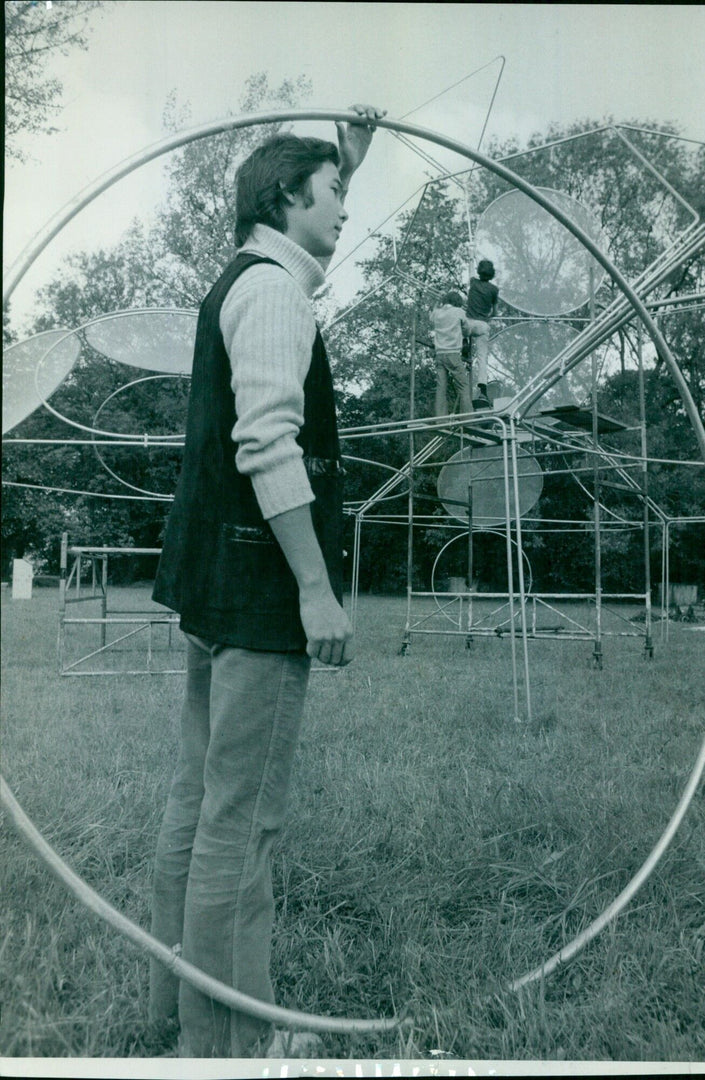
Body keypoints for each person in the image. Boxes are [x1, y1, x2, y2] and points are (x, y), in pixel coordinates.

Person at [147, 105, 385, 1059]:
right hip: (257, 597)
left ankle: (175, 1014)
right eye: (330, 196)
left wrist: (347, 161)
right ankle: (235, 1045)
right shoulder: (278, 296)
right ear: (287, 200)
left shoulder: (247, 277)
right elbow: (266, 443)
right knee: (241, 826)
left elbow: (306, 217)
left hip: (214, 588)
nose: (343, 212)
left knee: (198, 802)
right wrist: (315, 590)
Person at [431, 289, 471, 417]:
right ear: (457, 302)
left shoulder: (437, 313)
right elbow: (468, 330)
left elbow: (431, 316)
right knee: (463, 386)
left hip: (439, 354)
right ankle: (467, 419)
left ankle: (440, 419)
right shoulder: (459, 312)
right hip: (453, 353)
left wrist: (438, 303)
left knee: (441, 388)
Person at [465, 259, 499, 408]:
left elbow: (470, 269)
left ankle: (464, 343)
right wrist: (487, 314)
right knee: (482, 358)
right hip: (482, 325)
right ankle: (482, 389)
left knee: (460, 323)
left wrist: (471, 255)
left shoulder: (473, 282)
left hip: (469, 324)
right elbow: (495, 312)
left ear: (479, 272)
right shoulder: (494, 289)